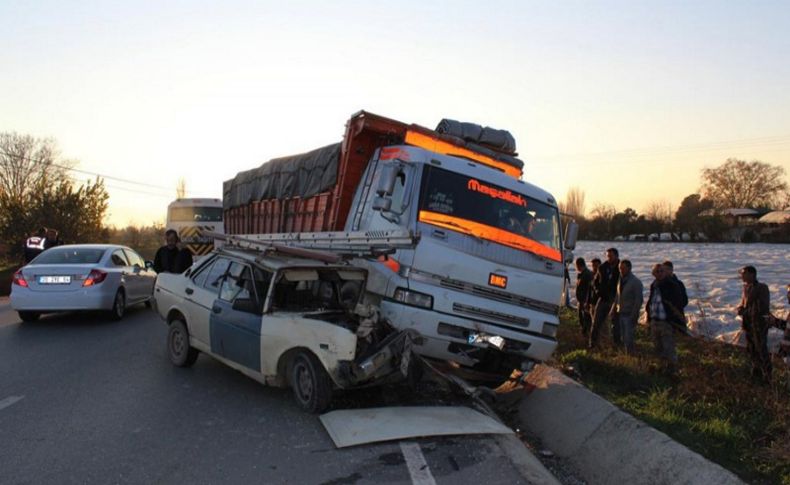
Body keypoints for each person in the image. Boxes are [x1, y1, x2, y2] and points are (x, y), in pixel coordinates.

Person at [646, 263, 685, 373]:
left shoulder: (672, 285)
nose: (659, 273)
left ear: (666, 272)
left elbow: (679, 303)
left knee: (669, 347)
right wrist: (649, 318)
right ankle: (661, 368)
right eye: (657, 272)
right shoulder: (654, 285)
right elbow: (651, 302)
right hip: (655, 321)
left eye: (661, 271)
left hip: (666, 322)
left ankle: (673, 370)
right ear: (653, 274)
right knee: (657, 347)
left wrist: (674, 320)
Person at [736, 266, 772, 383]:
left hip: (759, 324)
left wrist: (745, 311)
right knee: (751, 349)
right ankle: (756, 373)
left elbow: (762, 307)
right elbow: (745, 304)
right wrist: (741, 308)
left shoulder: (762, 288)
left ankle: (767, 376)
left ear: (752, 274)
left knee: (761, 349)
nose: (741, 276)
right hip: (748, 324)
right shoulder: (745, 288)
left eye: (743, 273)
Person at [590, 248, 620, 348]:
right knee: (596, 323)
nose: (609, 258)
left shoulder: (621, 268)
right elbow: (595, 282)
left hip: (615, 299)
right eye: (607, 256)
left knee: (613, 324)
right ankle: (593, 344)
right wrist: (598, 291)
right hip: (602, 298)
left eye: (611, 256)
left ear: (616, 256)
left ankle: (613, 346)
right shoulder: (603, 267)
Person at [614, 259, 644, 355]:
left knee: (629, 338)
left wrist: (634, 315)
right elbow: (617, 296)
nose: (621, 270)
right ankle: (626, 355)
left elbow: (638, 300)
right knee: (623, 337)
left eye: (623, 268)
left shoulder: (636, 282)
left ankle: (631, 355)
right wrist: (613, 309)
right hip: (620, 312)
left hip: (629, 314)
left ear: (629, 268)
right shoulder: (620, 280)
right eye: (620, 268)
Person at [575, 257, 593, 338]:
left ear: (578, 265)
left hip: (584, 302)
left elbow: (589, 289)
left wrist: (586, 302)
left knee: (585, 320)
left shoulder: (587, 274)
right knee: (582, 319)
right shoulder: (582, 274)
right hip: (581, 301)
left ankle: (586, 336)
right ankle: (584, 336)